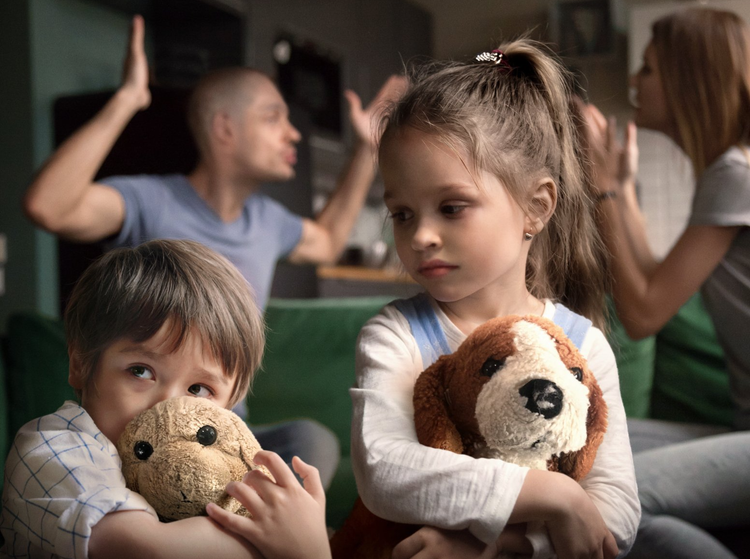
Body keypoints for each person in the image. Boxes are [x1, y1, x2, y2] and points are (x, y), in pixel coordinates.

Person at [22, 15, 403, 488]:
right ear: (224, 128)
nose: (293, 134)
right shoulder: (151, 200)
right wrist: (127, 100)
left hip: (223, 428)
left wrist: (367, 147)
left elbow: (326, 240)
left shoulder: (268, 221)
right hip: (144, 426)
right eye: (273, 117)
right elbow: (49, 206)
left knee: (310, 440)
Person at [349, 40, 640, 559]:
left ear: (536, 207)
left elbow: (613, 510)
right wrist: (555, 494)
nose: (421, 237)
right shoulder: (395, 336)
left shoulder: (584, 346)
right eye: (403, 214)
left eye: (452, 207)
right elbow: (384, 468)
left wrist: (503, 545)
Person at [0, 239, 332, 559]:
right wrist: (299, 549)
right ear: (81, 365)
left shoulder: (213, 474)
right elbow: (148, 550)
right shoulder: (54, 450)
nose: (169, 407)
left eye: (199, 390)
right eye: (140, 371)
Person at [581, 7, 750, 559]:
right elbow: (658, 276)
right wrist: (622, 189)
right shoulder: (728, 172)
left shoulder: (733, 175)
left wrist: (603, 190)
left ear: (687, 80)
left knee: (617, 499)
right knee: (589, 447)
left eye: (648, 70)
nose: (634, 81)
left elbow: (643, 313)